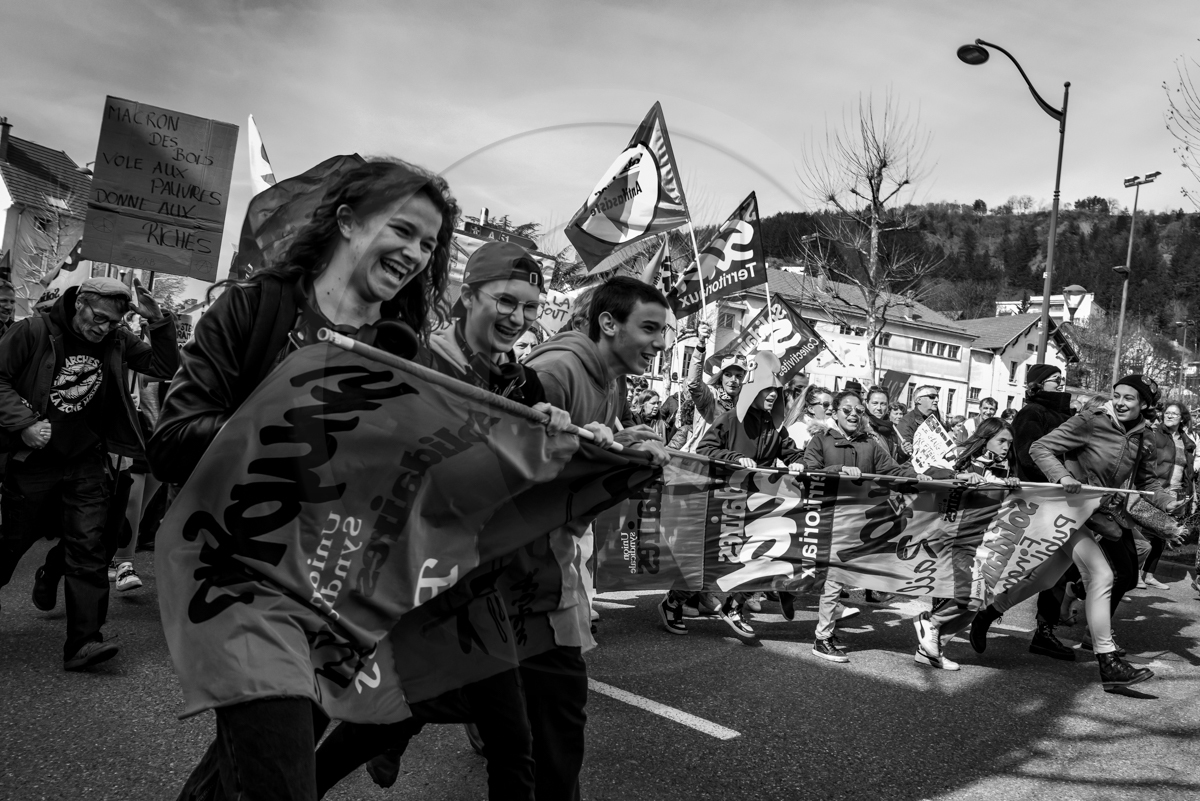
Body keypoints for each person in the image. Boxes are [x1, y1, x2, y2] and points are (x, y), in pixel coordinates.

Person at [154, 158, 460, 801]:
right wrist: (290, 429)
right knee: (282, 780)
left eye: (428, 244)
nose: (415, 253)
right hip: (239, 574)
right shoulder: (254, 309)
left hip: (334, 595)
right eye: (402, 230)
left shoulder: (403, 351)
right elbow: (172, 442)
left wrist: (559, 436)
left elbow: (445, 463)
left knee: (242, 768)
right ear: (347, 221)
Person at [315, 241, 577, 801]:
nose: (519, 319)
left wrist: (565, 436)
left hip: (473, 583)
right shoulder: (414, 361)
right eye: (506, 301)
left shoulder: (525, 387)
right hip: (388, 574)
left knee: (511, 742)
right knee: (329, 712)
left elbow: (521, 479)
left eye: (532, 308)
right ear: (467, 296)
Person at [506, 276, 671, 801]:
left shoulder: (613, 379)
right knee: (555, 708)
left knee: (528, 713)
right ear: (607, 323)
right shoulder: (555, 372)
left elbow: (587, 442)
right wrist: (613, 460)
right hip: (518, 569)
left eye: (662, 330)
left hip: (552, 562)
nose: (662, 343)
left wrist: (624, 444)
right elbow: (510, 467)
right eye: (649, 328)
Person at [0, 276, 177, 670]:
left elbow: (164, 366)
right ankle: (46, 574)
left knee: (89, 550)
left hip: (85, 461)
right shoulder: (32, 331)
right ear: (79, 302)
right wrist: (24, 422)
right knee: (9, 545)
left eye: (111, 323)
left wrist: (158, 322)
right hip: (33, 463)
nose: (101, 328)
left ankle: (83, 643)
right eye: (97, 317)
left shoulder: (115, 340)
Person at [971, 376, 1182, 692]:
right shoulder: (1091, 421)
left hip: (1100, 517)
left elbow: (1145, 484)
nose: (1121, 402)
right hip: (1067, 510)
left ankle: (990, 611)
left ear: (1145, 405)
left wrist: (1168, 502)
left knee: (1044, 579)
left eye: (1130, 398)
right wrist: (1064, 475)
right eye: (1117, 395)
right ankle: (1108, 662)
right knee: (1101, 575)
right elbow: (1039, 447)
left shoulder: (1143, 437)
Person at [802, 389, 924, 663]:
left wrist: (920, 474)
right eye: (847, 410)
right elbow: (809, 472)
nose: (854, 414)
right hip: (829, 520)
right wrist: (839, 471)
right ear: (834, 412)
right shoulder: (821, 440)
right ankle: (822, 639)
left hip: (860, 522)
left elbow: (893, 470)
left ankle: (828, 633)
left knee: (842, 578)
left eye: (858, 410)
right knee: (834, 580)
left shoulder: (870, 444)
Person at [695, 351, 804, 640]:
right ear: (755, 389)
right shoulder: (730, 418)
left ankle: (735, 606)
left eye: (776, 391)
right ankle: (673, 602)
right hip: (725, 501)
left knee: (762, 555)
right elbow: (704, 450)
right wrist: (733, 457)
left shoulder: (775, 426)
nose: (772, 396)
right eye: (768, 390)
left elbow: (794, 453)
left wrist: (799, 461)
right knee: (711, 560)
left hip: (758, 504)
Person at [913, 418, 1020, 670]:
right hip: (951, 538)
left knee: (976, 603)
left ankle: (929, 649)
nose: (1006, 447)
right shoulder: (961, 457)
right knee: (969, 596)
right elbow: (926, 472)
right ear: (985, 439)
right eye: (1001, 441)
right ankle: (930, 622)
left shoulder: (1004, 469)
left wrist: (1015, 486)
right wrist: (959, 475)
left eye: (1009, 443)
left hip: (980, 542)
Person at [1010, 364, 1077, 661]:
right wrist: (1059, 477)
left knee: (1058, 568)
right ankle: (979, 611)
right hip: (1037, 498)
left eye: (1061, 380)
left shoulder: (1069, 415)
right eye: (1054, 380)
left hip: (1065, 499)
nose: (1060, 385)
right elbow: (1027, 455)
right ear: (1037, 385)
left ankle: (1045, 630)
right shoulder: (1031, 413)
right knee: (1016, 564)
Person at [1141, 401, 1195, 588]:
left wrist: (1189, 494)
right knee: (1145, 532)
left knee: (1163, 536)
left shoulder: (1187, 442)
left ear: (1182, 419)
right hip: (1155, 488)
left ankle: (1149, 575)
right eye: (1168, 413)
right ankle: (1136, 575)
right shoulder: (1154, 434)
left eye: (1175, 414)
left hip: (1175, 493)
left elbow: (1188, 472)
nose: (1170, 416)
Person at [784, 384, 833, 452]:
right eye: (826, 404)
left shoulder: (833, 428)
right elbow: (792, 459)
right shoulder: (798, 429)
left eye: (833, 404)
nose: (831, 408)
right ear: (811, 409)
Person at [896, 385, 943, 455]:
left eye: (937, 397)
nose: (937, 400)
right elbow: (905, 454)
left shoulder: (933, 419)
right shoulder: (906, 422)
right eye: (932, 397)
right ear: (918, 400)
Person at [864, 385, 903, 459]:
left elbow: (893, 460)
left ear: (888, 405)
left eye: (883, 404)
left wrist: (902, 453)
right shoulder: (862, 426)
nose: (879, 408)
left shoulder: (890, 428)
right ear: (867, 403)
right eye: (875, 403)